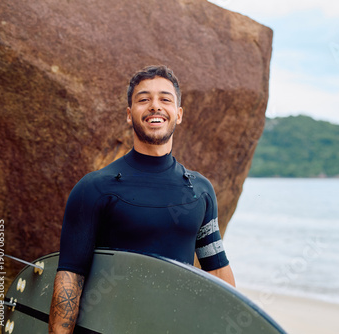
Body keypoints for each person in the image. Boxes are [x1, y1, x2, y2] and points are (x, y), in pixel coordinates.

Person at [48, 65, 235, 333]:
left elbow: (217, 270)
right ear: (129, 114)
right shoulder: (94, 188)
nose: (155, 106)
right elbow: (70, 277)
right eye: (144, 99)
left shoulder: (200, 191)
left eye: (165, 99)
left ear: (178, 115)